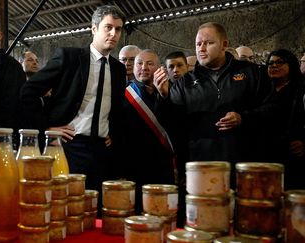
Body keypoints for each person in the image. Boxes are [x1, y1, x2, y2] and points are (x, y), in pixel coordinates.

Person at [20, 5, 126, 206]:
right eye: (108, 27)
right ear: (94, 28)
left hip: (102, 150)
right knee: (66, 206)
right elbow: (28, 91)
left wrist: (113, 132)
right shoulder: (69, 57)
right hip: (70, 146)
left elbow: (118, 108)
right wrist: (46, 128)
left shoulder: (119, 70)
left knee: (95, 210)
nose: (113, 33)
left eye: (118, 29)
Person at [154, 21, 276, 168]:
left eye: (208, 43)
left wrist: (244, 118)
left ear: (224, 45)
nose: (202, 49)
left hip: (246, 164)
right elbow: (172, 124)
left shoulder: (252, 73)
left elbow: (273, 108)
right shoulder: (184, 83)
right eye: (198, 44)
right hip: (201, 165)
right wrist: (163, 97)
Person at [121, 49, 176, 214]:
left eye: (149, 63)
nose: (143, 67)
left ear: (159, 68)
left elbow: (176, 125)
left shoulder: (172, 92)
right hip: (134, 167)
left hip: (163, 167)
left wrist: (164, 96)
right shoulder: (124, 95)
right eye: (139, 63)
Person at [264, 49, 305, 190]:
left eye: (280, 62)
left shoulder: (301, 91)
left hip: (292, 157)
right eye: (270, 63)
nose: (274, 66)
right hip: (267, 155)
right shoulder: (261, 90)